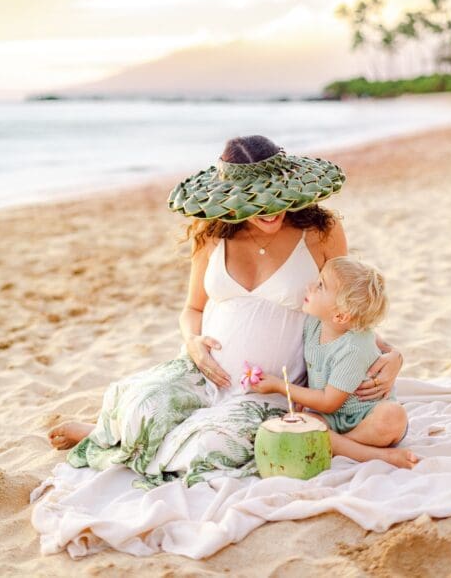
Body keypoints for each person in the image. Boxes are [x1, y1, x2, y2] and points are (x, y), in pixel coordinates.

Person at [47, 135, 404, 488]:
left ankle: (123, 441)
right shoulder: (210, 235)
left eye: (276, 193)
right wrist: (192, 343)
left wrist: (392, 355)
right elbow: (192, 308)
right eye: (258, 199)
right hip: (202, 372)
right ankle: (111, 434)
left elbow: (345, 307)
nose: (273, 209)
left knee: (211, 446)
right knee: (141, 404)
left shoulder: (320, 231)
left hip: (273, 389)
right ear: (231, 197)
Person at [250, 256, 418, 469]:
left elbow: (329, 400)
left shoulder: (354, 347)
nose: (311, 286)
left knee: (393, 416)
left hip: (365, 416)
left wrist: (278, 386)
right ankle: (349, 447)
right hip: (330, 418)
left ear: (339, 316)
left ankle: (360, 452)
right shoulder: (314, 323)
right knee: (301, 422)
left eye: (320, 286)